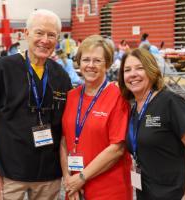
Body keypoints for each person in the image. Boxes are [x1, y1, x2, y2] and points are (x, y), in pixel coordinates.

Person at [0, 9, 72, 200]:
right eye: (39, 32)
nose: (45, 40)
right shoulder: (3, 68)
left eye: (51, 35)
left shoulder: (61, 76)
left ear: (57, 38)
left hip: (48, 176)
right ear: (26, 33)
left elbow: (65, 131)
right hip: (8, 175)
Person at [60, 35, 132, 200]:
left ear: (107, 64)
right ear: (79, 62)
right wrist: (69, 180)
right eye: (86, 59)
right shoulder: (71, 96)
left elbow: (117, 149)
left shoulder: (118, 96)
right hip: (75, 188)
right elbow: (64, 141)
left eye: (97, 60)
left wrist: (81, 177)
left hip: (109, 188)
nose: (90, 65)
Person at [118, 48, 185, 200]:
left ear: (151, 70)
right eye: (127, 70)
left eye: (139, 68)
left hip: (175, 194)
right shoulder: (134, 110)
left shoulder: (170, 102)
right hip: (146, 193)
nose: (133, 74)